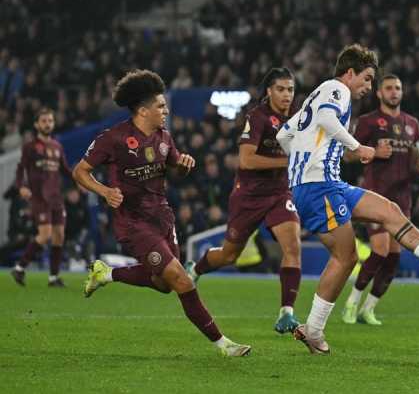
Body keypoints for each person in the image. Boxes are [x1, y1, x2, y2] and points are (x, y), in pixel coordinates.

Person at [276, 44, 419, 354]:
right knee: (346, 258)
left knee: (390, 211)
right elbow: (326, 119)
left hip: (326, 183)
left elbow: (283, 135)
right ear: (350, 73)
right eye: (368, 78)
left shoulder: (316, 94)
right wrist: (357, 147)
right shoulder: (337, 88)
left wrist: (301, 161)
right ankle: (314, 331)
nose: (368, 87)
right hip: (319, 186)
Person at [73, 69, 250, 357]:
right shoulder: (114, 138)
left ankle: (106, 275)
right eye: (161, 106)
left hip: (162, 217)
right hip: (133, 223)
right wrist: (105, 192)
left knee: (163, 284)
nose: (166, 110)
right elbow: (79, 171)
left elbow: (175, 167)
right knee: (182, 280)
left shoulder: (164, 136)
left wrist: (183, 164)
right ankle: (223, 344)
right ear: (143, 111)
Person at [186, 67, 303, 334]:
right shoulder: (258, 117)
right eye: (281, 89)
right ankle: (197, 266)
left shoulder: (298, 117)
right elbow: (247, 160)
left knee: (293, 244)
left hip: (279, 192)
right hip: (248, 194)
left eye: (290, 89)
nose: (286, 95)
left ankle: (287, 312)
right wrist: (290, 160)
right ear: (269, 91)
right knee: (229, 255)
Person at [341, 74, 419, 326]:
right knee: (379, 250)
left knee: (393, 257)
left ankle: (368, 309)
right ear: (379, 93)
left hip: (403, 198)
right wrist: (373, 153)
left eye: (398, 88)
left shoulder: (412, 123)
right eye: (389, 88)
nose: (394, 92)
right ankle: (351, 302)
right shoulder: (368, 121)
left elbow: (416, 151)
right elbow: (348, 154)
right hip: (376, 195)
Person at [10, 108, 72, 287]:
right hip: (40, 197)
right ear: (37, 124)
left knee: (59, 235)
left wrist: (79, 180)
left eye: (50, 121)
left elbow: (65, 169)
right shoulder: (30, 147)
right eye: (44, 121)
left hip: (56, 197)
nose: (47, 124)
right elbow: (21, 168)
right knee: (44, 234)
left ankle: (53, 277)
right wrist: (21, 186)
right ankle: (20, 267)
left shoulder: (57, 146)